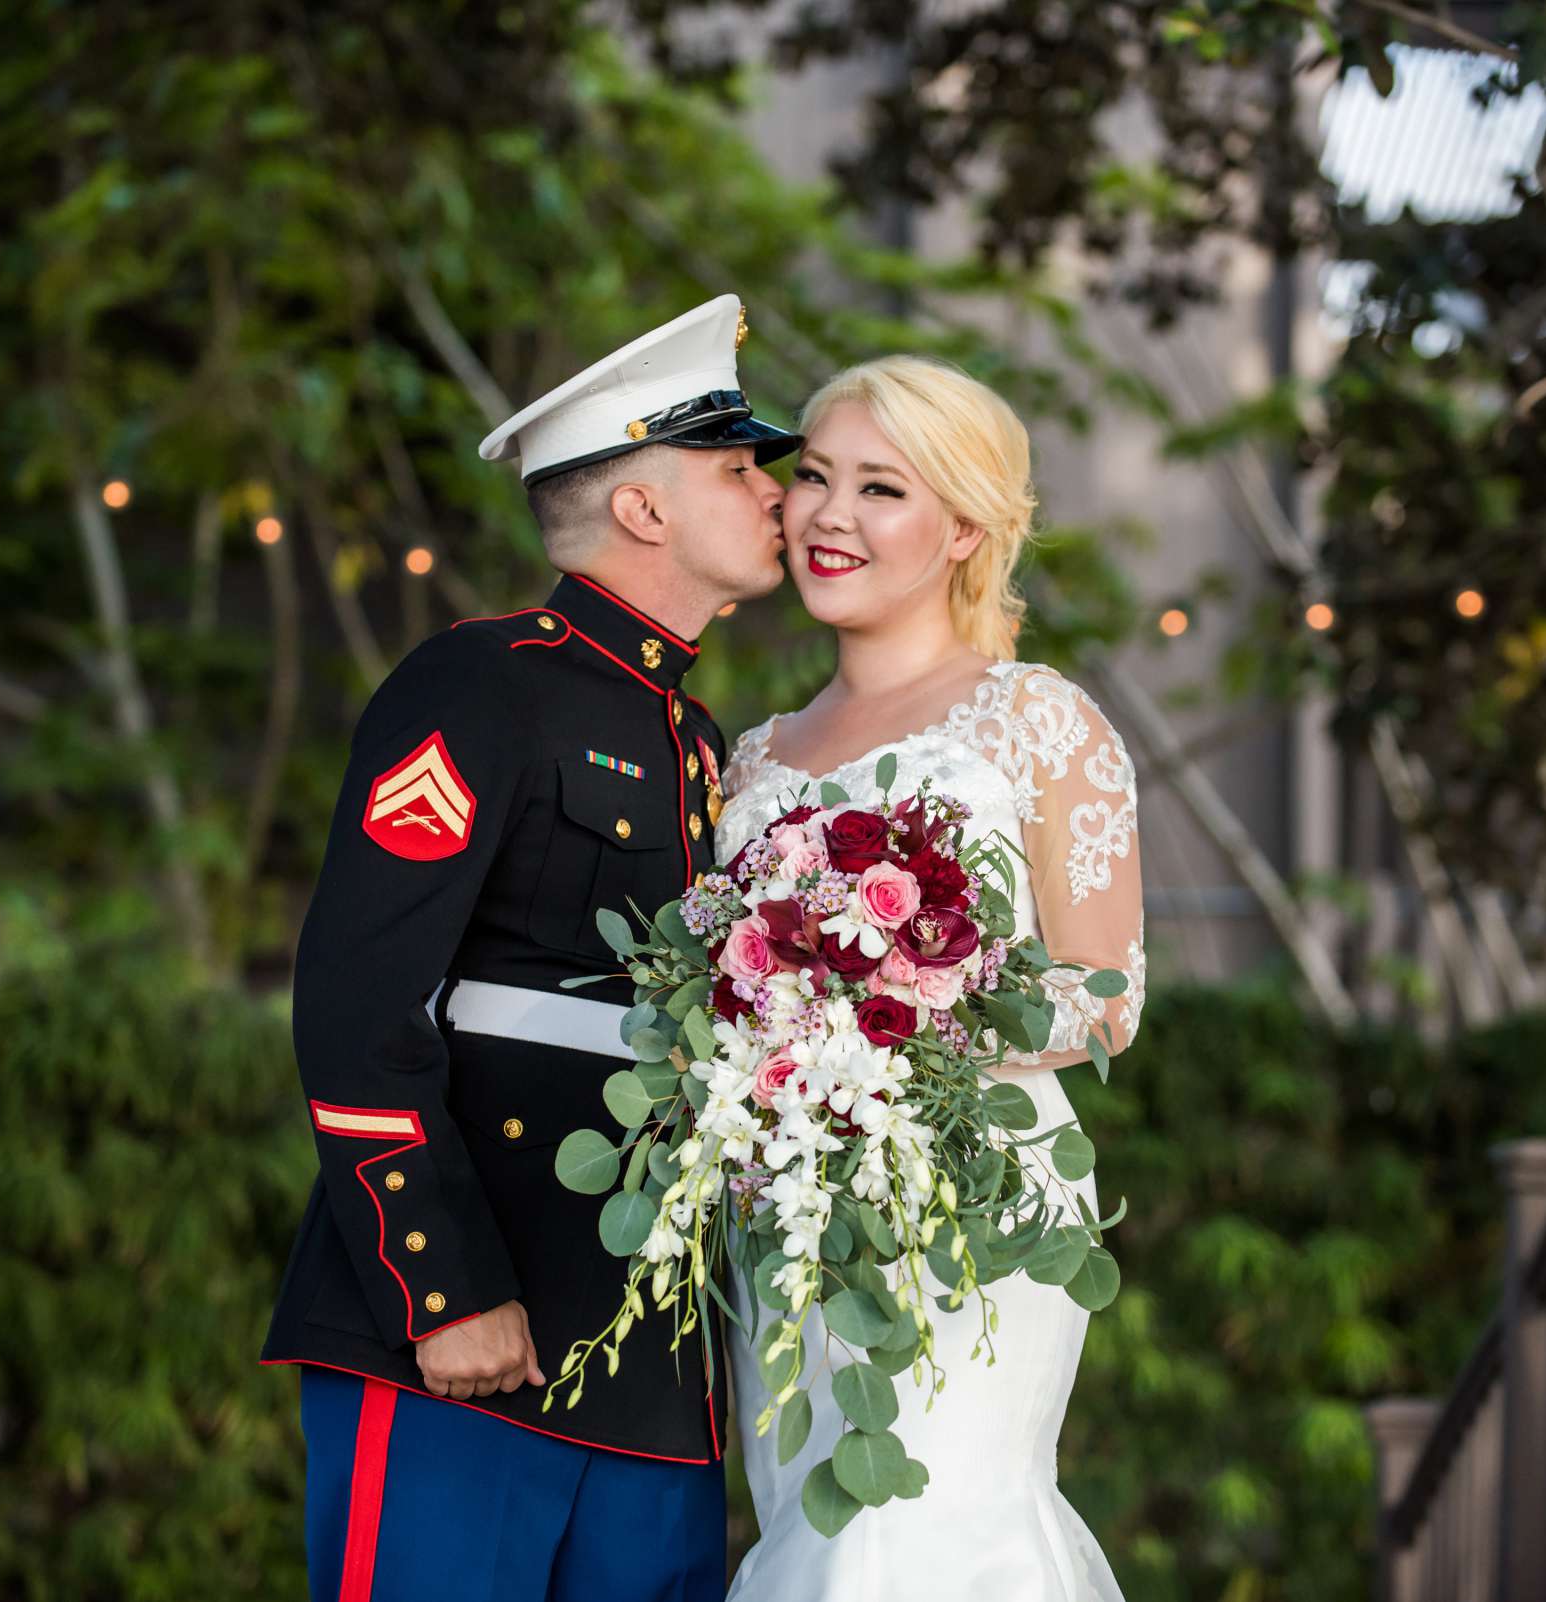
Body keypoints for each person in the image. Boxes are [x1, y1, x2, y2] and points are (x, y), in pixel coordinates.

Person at [263, 295, 798, 1602]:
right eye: (738, 468)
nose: (776, 495)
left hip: (653, 1374)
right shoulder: (479, 684)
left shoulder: (697, 737)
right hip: (469, 1334)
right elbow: (357, 1004)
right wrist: (437, 1286)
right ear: (645, 509)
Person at [715, 355, 1146, 1601]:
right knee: (817, 1526)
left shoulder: (1036, 720)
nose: (828, 516)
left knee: (922, 1527)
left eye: (880, 489)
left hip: (978, 1201)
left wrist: (894, 1020)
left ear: (964, 528)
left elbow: (1106, 997)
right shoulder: (754, 760)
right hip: (788, 1213)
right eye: (814, 478)